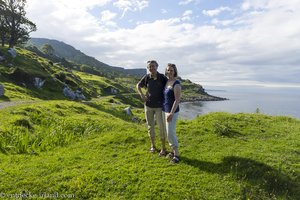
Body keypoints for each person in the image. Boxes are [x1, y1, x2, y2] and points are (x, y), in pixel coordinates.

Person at [136, 60, 168, 155]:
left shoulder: (162, 77)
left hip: (159, 106)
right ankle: (153, 146)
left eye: (153, 66)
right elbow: (138, 85)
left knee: (161, 127)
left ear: (157, 67)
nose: (151, 68)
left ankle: (163, 148)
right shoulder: (147, 77)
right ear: (148, 68)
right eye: (149, 67)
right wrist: (141, 94)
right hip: (148, 106)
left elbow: (169, 86)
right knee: (150, 127)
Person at [163, 63, 181, 163]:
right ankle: (172, 151)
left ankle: (177, 155)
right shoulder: (167, 82)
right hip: (164, 110)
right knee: (168, 132)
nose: (169, 72)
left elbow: (177, 100)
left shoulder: (176, 83)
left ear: (175, 71)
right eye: (168, 70)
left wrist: (171, 113)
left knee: (171, 132)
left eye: (171, 70)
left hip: (172, 111)